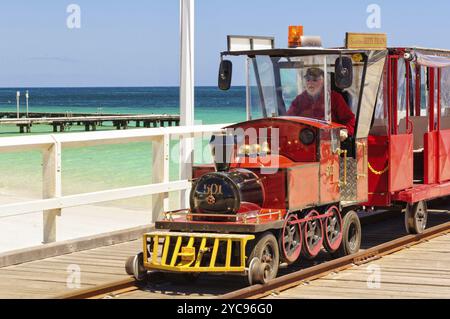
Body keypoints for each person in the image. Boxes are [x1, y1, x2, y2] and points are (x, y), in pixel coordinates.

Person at [287, 67, 356, 138]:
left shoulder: (334, 98)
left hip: (330, 140)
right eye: (308, 80)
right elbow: (288, 120)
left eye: (314, 80)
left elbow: (350, 120)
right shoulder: (300, 99)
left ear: (323, 82)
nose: (310, 83)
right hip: (305, 141)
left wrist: (345, 131)